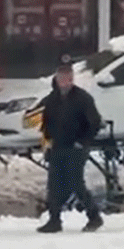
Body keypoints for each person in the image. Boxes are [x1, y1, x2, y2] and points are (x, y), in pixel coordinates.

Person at [37, 62, 104, 233]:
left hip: (76, 147)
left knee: (75, 183)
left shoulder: (83, 99)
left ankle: (94, 216)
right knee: (53, 184)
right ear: (57, 79)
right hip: (57, 146)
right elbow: (46, 124)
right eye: (61, 79)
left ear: (72, 79)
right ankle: (54, 220)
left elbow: (94, 123)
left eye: (68, 79)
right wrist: (47, 145)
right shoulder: (52, 99)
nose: (64, 82)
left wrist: (82, 142)